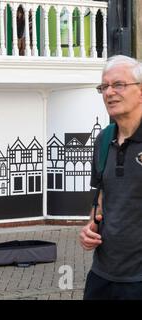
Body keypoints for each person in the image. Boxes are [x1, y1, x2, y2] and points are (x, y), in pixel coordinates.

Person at [79, 55, 142, 299]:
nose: (109, 93)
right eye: (104, 87)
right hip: (102, 275)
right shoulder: (103, 140)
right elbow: (102, 193)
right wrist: (90, 225)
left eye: (118, 85)